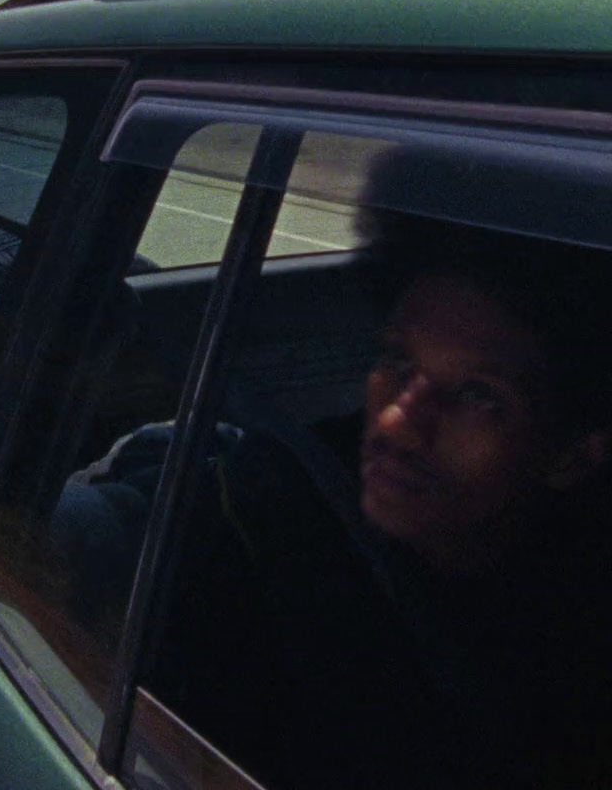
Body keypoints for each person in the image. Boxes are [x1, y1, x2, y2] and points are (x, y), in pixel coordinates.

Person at [56, 174, 612, 788]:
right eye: (397, 359)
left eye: (479, 397)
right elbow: (98, 540)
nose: (399, 422)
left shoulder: (581, 611)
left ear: (575, 457)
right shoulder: (256, 525)